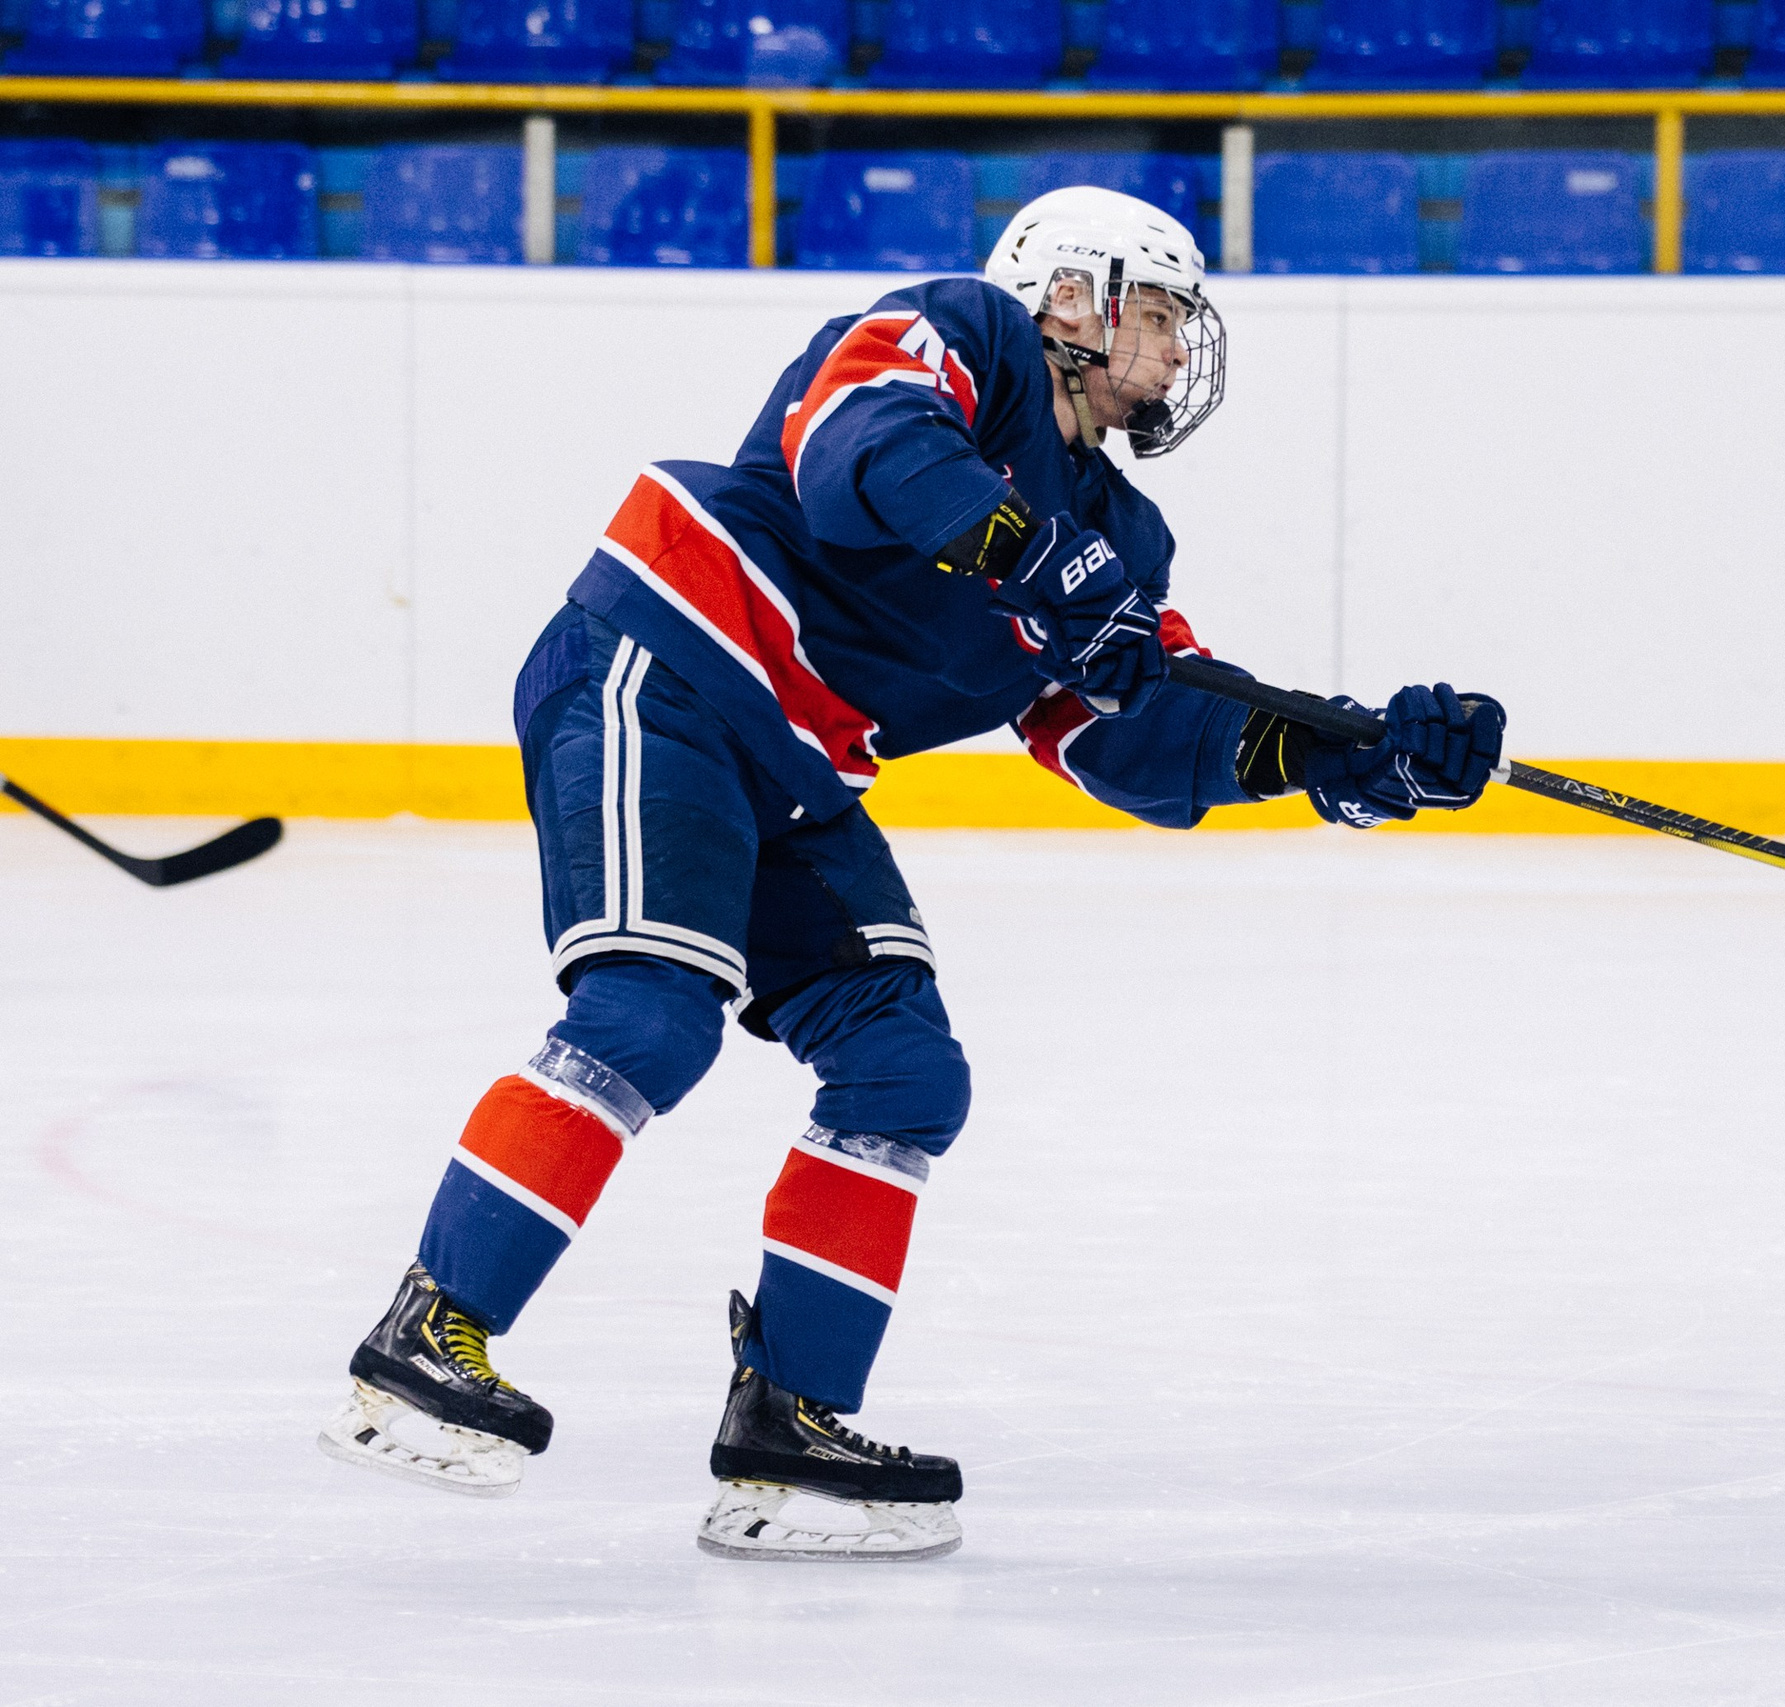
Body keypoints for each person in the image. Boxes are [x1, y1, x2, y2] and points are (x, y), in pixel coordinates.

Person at [316, 186, 1508, 1562]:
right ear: (1075, 298)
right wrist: (1023, 552)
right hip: (672, 658)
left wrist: (1346, 758)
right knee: (649, 1014)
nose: (1181, 352)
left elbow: (1124, 736)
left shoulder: (1126, 540)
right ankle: (426, 1330)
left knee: (902, 1072)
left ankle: (788, 1425)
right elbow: (857, 449)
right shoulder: (964, 336)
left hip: (796, 763)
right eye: (1166, 312)